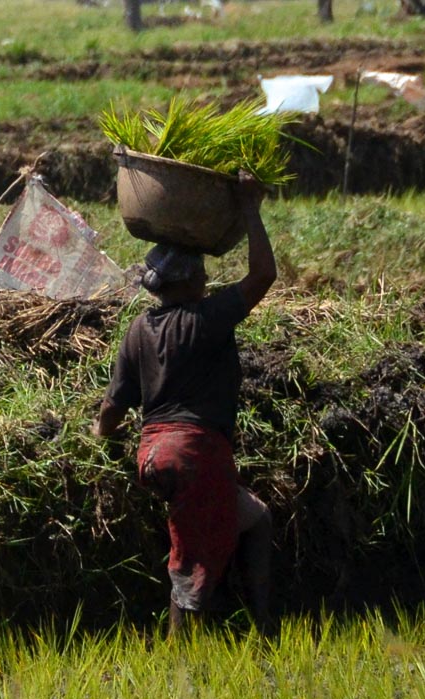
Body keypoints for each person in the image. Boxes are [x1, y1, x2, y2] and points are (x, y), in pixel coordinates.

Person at [93, 177, 278, 636]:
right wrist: (251, 208)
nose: (207, 278)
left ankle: (266, 626)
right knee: (191, 566)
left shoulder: (139, 329)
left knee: (255, 520)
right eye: (202, 272)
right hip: (196, 455)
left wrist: (98, 435)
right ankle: (181, 663)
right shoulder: (206, 318)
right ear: (192, 278)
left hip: (153, 455)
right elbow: (263, 276)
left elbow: (113, 406)